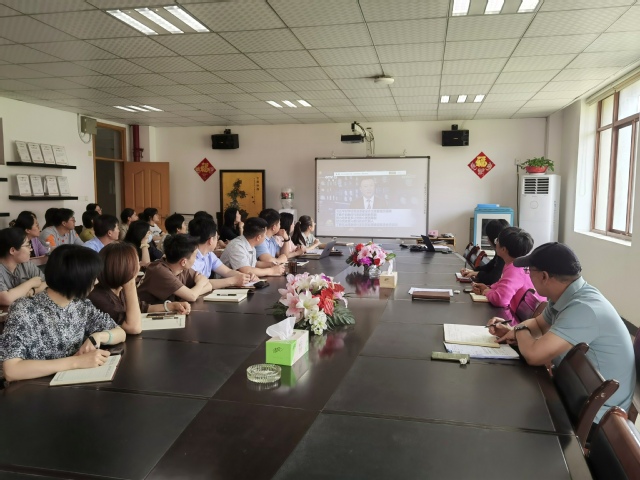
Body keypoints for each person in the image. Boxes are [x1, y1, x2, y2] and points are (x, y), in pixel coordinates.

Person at [487, 242, 635, 422]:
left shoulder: (584, 308)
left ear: (544, 276)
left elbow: (534, 355)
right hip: (575, 391)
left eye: (529, 271)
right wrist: (513, 330)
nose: (528, 275)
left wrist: (519, 330)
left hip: (596, 417)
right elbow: (538, 324)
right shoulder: (567, 296)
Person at [0, 245, 126, 382]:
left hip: (71, 384)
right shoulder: (23, 310)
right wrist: (76, 362)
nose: (96, 281)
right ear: (77, 280)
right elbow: (11, 370)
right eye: (93, 277)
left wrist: (98, 336)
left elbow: (120, 333)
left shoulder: (80, 305)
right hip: (34, 389)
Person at [89, 243, 190, 334]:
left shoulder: (119, 288)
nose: (139, 266)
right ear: (124, 267)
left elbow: (143, 307)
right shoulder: (99, 298)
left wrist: (172, 306)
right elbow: (133, 328)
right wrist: (131, 283)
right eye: (136, 263)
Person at [472, 227, 542, 318]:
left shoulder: (515, 269)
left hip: (519, 320)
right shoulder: (514, 264)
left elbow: (500, 300)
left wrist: (486, 292)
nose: (496, 243)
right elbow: (502, 283)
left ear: (504, 249)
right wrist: (488, 288)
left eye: (497, 240)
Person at [137, 234, 213, 304]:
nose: (195, 259)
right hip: (145, 312)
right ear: (183, 262)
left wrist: (194, 292)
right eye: (195, 256)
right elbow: (192, 296)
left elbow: (209, 285)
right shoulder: (160, 271)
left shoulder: (182, 268)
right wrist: (200, 284)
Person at [188, 217, 256, 288]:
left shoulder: (209, 254)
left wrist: (246, 276)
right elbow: (200, 283)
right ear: (211, 240)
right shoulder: (190, 257)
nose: (217, 240)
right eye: (217, 237)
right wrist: (233, 281)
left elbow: (227, 272)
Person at [220, 217, 285, 277]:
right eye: (265, 234)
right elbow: (246, 270)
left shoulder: (250, 244)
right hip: (226, 283)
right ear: (258, 237)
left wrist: (270, 264)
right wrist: (271, 271)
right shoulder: (237, 246)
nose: (266, 236)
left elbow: (253, 264)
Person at [0, 227, 47, 306]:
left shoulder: (26, 264)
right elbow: (6, 299)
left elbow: (46, 283)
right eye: (27, 245)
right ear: (12, 250)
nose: (31, 249)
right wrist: (31, 283)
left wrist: (33, 291)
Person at [460, 219, 509, 285]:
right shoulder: (501, 252)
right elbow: (489, 267)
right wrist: (473, 271)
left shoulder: (504, 255)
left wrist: (477, 274)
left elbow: (493, 279)